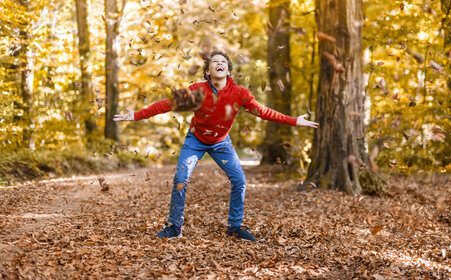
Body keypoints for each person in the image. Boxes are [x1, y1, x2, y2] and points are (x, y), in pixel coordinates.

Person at [113, 51, 318, 241]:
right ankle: (174, 226)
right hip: (195, 140)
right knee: (180, 178)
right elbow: (167, 104)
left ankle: (234, 226)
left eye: (223, 62)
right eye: (214, 62)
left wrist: (294, 121)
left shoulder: (240, 93)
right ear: (208, 71)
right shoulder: (197, 91)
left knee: (239, 180)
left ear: (228, 70)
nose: (219, 64)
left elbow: (264, 112)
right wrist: (137, 115)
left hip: (221, 143)